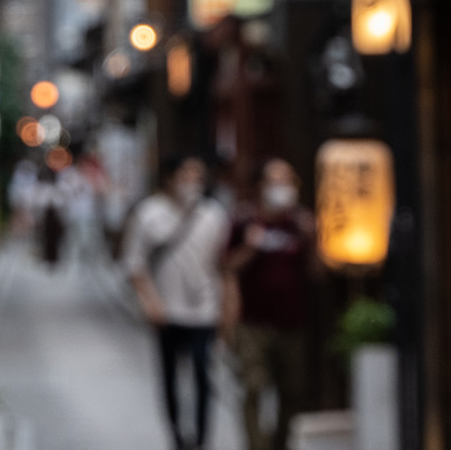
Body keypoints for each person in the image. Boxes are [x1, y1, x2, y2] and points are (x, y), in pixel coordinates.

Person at [124, 154, 231, 450]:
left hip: (205, 309)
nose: (192, 183)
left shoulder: (214, 214)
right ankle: (176, 436)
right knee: (169, 375)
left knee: (202, 373)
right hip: (166, 310)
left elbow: (223, 264)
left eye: (198, 177)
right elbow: (134, 264)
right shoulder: (148, 213)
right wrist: (150, 302)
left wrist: (226, 306)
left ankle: (201, 438)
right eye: (186, 175)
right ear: (169, 178)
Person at [224, 158, 316, 450]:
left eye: (287, 180)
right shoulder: (244, 221)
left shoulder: (300, 223)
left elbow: (318, 273)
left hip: (292, 320)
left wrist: (314, 240)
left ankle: (280, 444)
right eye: (275, 181)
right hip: (252, 322)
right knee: (253, 388)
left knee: (292, 391)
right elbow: (225, 268)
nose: (282, 187)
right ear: (260, 186)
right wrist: (249, 248)